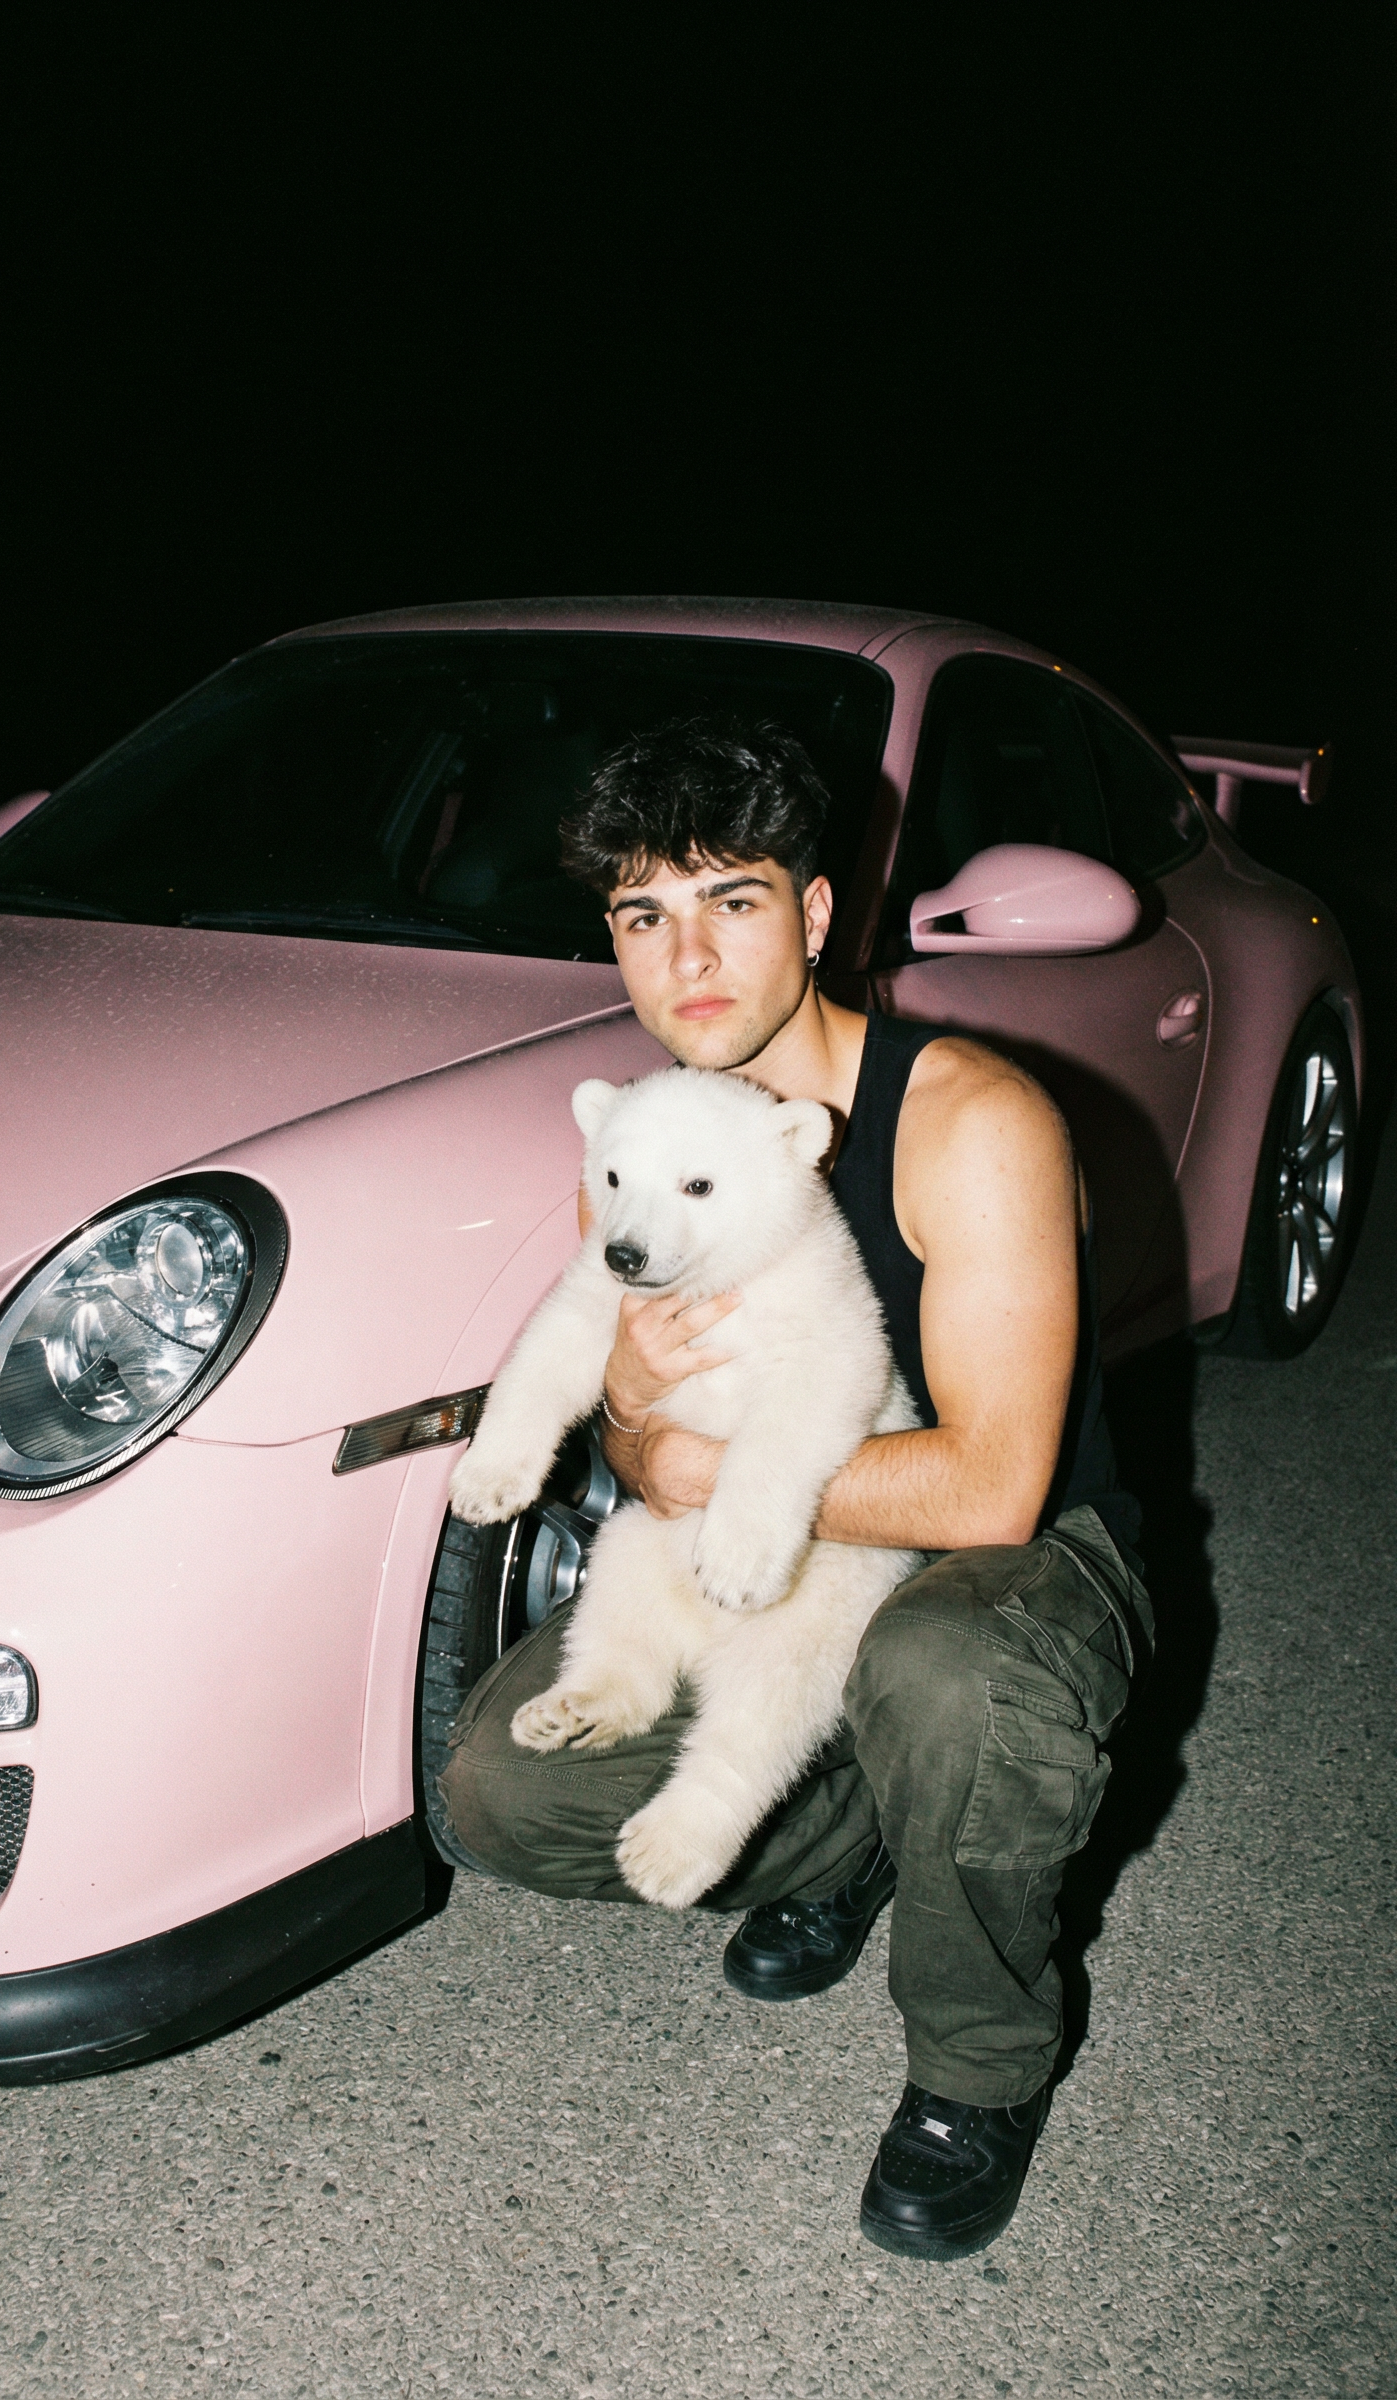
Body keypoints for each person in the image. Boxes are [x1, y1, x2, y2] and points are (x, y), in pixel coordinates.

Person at [438, 719, 1151, 2262]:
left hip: (1012, 1556)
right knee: (506, 1794)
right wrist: (630, 1426)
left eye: (731, 901)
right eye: (643, 915)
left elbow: (992, 1484)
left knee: (945, 1673)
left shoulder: (971, 1119)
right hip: (766, 1534)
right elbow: (625, 1400)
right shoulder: (641, 1136)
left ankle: (981, 2064)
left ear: (816, 916)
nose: (684, 955)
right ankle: (875, 1821)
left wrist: (703, 1470)